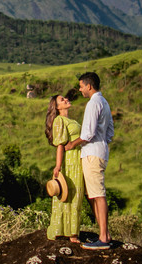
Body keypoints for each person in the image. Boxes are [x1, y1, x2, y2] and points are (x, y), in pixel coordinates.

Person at [64, 71, 114, 249]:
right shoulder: (104, 102)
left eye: (81, 86)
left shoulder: (93, 103)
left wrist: (72, 144)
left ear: (89, 86)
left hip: (92, 152)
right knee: (91, 193)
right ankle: (104, 234)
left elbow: (88, 134)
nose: (80, 89)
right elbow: (110, 133)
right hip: (100, 151)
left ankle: (103, 237)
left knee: (98, 194)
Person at [44, 90, 84, 242]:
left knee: (76, 195)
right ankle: (70, 233)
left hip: (77, 159)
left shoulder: (71, 121)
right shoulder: (59, 120)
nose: (66, 99)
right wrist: (58, 166)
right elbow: (60, 145)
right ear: (57, 107)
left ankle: (71, 230)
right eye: (62, 99)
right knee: (70, 195)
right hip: (69, 161)